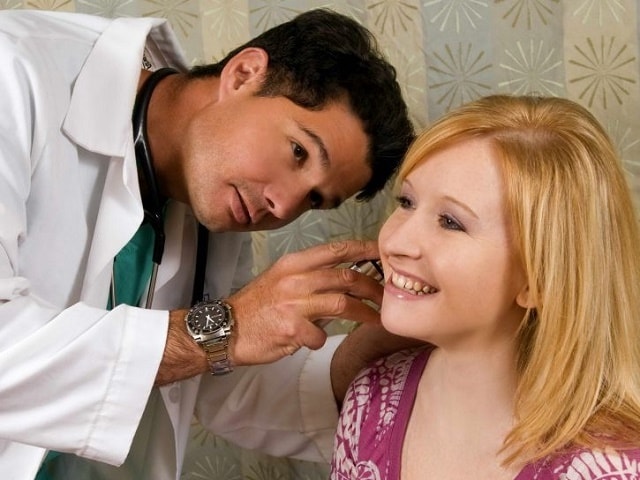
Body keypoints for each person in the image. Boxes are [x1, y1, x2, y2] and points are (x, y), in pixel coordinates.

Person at [0, 7, 415, 479]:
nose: (282, 206)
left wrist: (377, 349)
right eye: (298, 151)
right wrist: (227, 327)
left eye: (315, 199)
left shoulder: (213, 191)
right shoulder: (12, 71)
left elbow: (220, 384)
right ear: (243, 74)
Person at [331, 95, 640, 479]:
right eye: (407, 201)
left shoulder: (612, 469)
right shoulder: (368, 400)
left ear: (539, 279)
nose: (395, 243)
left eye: (451, 222)